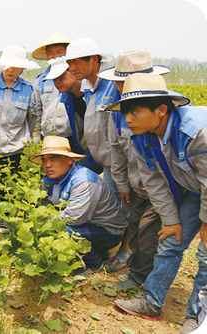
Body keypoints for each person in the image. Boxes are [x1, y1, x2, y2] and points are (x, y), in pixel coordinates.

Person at [110, 73, 206, 334]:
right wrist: (171, 220)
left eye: (134, 112)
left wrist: (205, 224)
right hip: (193, 189)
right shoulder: (141, 136)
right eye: (125, 112)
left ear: (161, 110)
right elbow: (155, 183)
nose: (127, 119)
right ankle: (152, 303)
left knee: (206, 255)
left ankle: (198, 318)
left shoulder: (197, 131)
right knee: (170, 240)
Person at [98, 51, 170, 284]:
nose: (120, 87)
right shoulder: (118, 112)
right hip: (136, 182)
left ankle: (144, 278)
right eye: (119, 83)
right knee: (135, 223)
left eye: (125, 83)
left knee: (153, 232)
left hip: (162, 184)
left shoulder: (158, 111)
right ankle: (133, 261)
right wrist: (121, 183)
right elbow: (115, 149)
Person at [30, 136, 127, 275]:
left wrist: (42, 223)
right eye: (44, 160)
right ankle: (92, 251)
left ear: (69, 159)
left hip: (107, 231)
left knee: (65, 230)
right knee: (54, 226)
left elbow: (74, 218)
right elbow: (45, 204)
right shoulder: (50, 178)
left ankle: (94, 263)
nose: (47, 165)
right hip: (87, 224)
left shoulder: (83, 181)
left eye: (53, 158)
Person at [65, 37, 119, 192]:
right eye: (69, 63)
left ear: (94, 59)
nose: (72, 68)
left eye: (76, 62)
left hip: (119, 164)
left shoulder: (113, 83)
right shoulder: (87, 87)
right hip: (103, 161)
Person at [0, 45, 41, 174]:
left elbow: (34, 120)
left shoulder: (29, 90)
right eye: (8, 65)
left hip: (16, 152)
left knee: (12, 190)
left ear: (23, 68)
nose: (11, 69)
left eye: (16, 66)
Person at [42, 57, 101, 173]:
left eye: (61, 77)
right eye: (54, 79)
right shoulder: (66, 99)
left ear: (73, 72)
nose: (57, 82)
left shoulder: (93, 94)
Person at [32, 32, 72, 138]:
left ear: (67, 52)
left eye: (59, 52)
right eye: (50, 53)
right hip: (48, 136)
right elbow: (37, 111)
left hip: (72, 136)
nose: (55, 56)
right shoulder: (41, 80)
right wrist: (36, 135)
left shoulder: (76, 75)